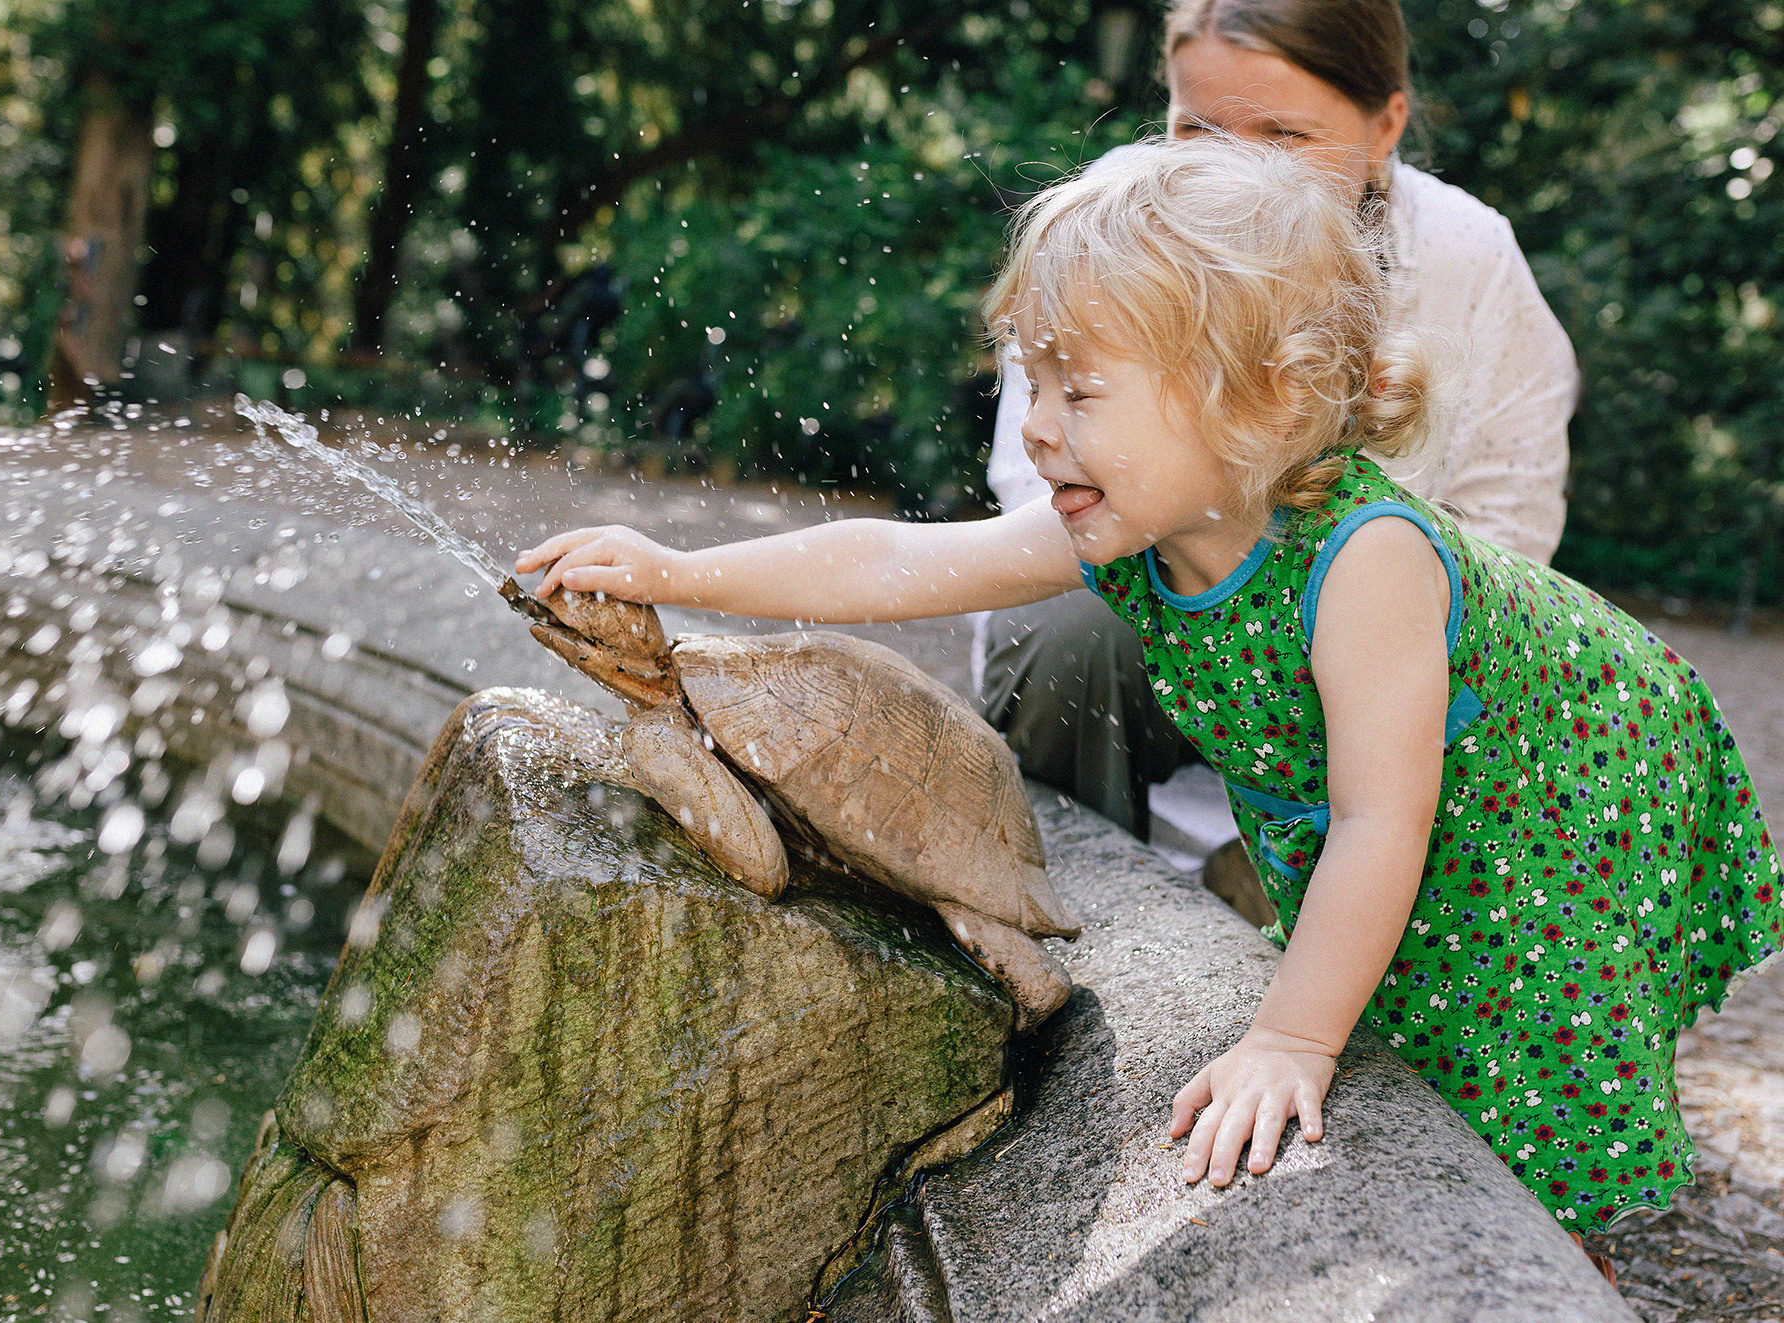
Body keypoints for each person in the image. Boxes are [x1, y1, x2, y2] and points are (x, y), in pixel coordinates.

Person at [518, 140, 1781, 1265]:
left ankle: (1546, 1257)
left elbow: (1382, 824)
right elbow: (902, 559)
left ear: (1263, 403)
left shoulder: (1363, 561)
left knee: (1511, 1016)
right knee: (1406, 980)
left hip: (1560, 785)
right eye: (1035, 383)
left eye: (1083, 390)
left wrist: (1290, 1040)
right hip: (1421, 787)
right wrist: (678, 575)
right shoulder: (1129, 522)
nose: (1044, 430)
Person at [980, 0, 1579, 848]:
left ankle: (1309, 882)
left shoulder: (1471, 261)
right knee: (1061, 633)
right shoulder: (1108, 215)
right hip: (1163, 621)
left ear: (1386, 127)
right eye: (1197, 129)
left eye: (1283, 137)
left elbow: (1507, 530)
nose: (1233, 171)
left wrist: (1361, 616)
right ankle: (1086, 880)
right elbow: (1034, 480)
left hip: (1377, 656)